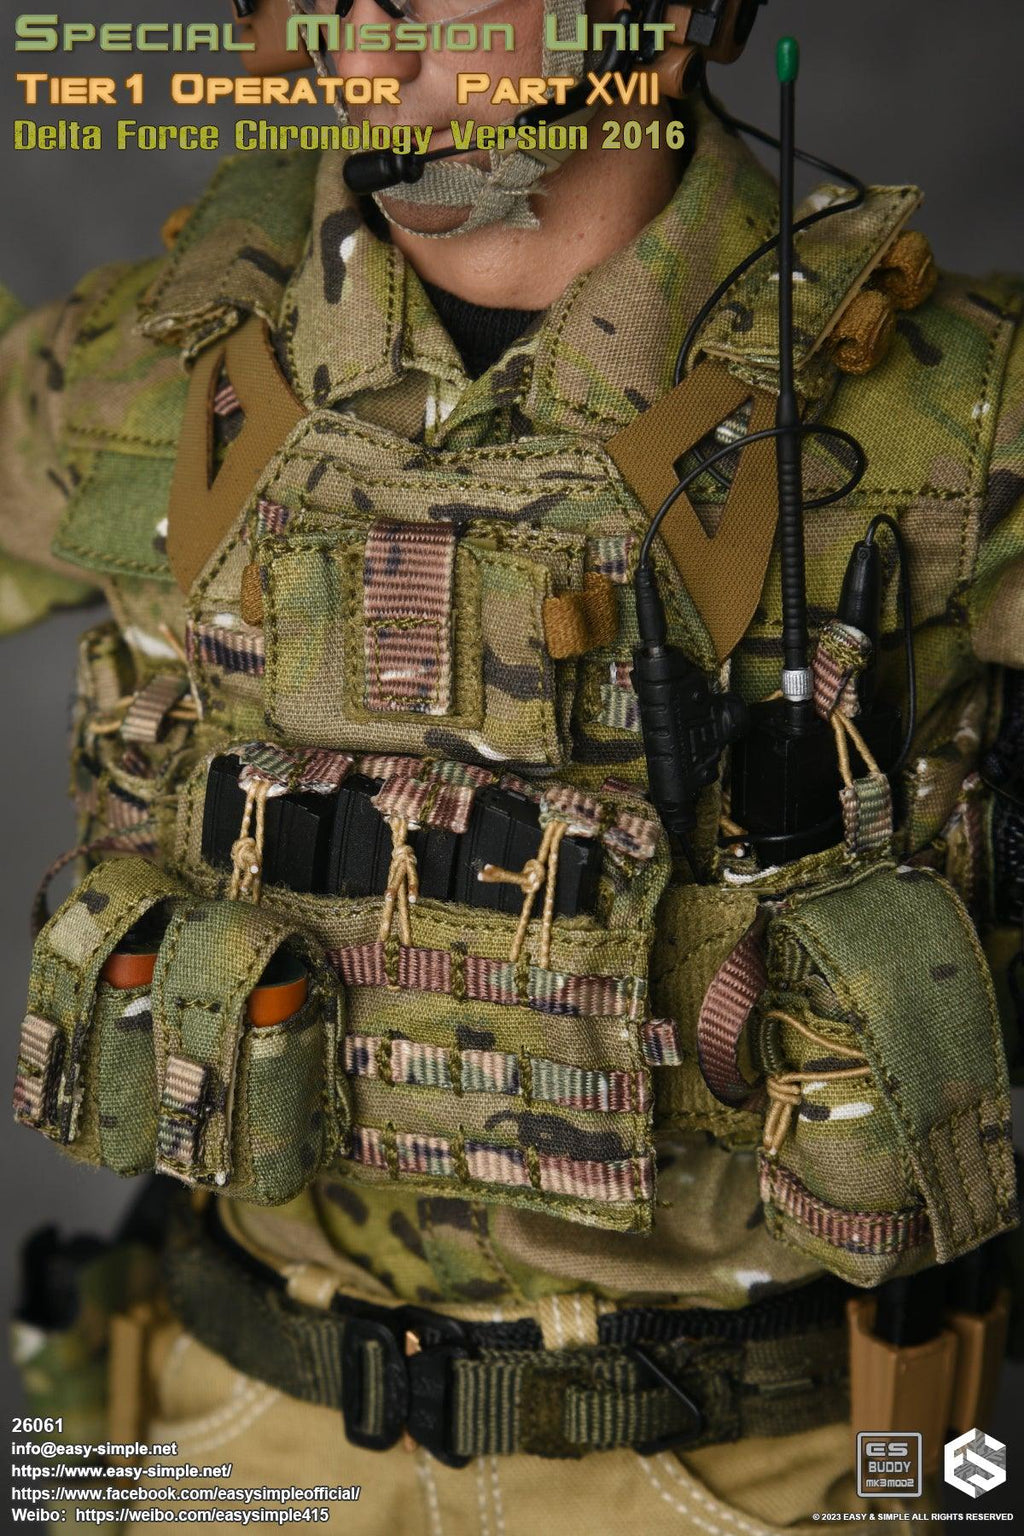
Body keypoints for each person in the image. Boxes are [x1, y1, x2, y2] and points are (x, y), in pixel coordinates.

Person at [4, 1, 1023, 1529]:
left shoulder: (956, 416)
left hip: (731, 1474)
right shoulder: (151, 371)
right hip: (246, 1436)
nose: (366, 64)